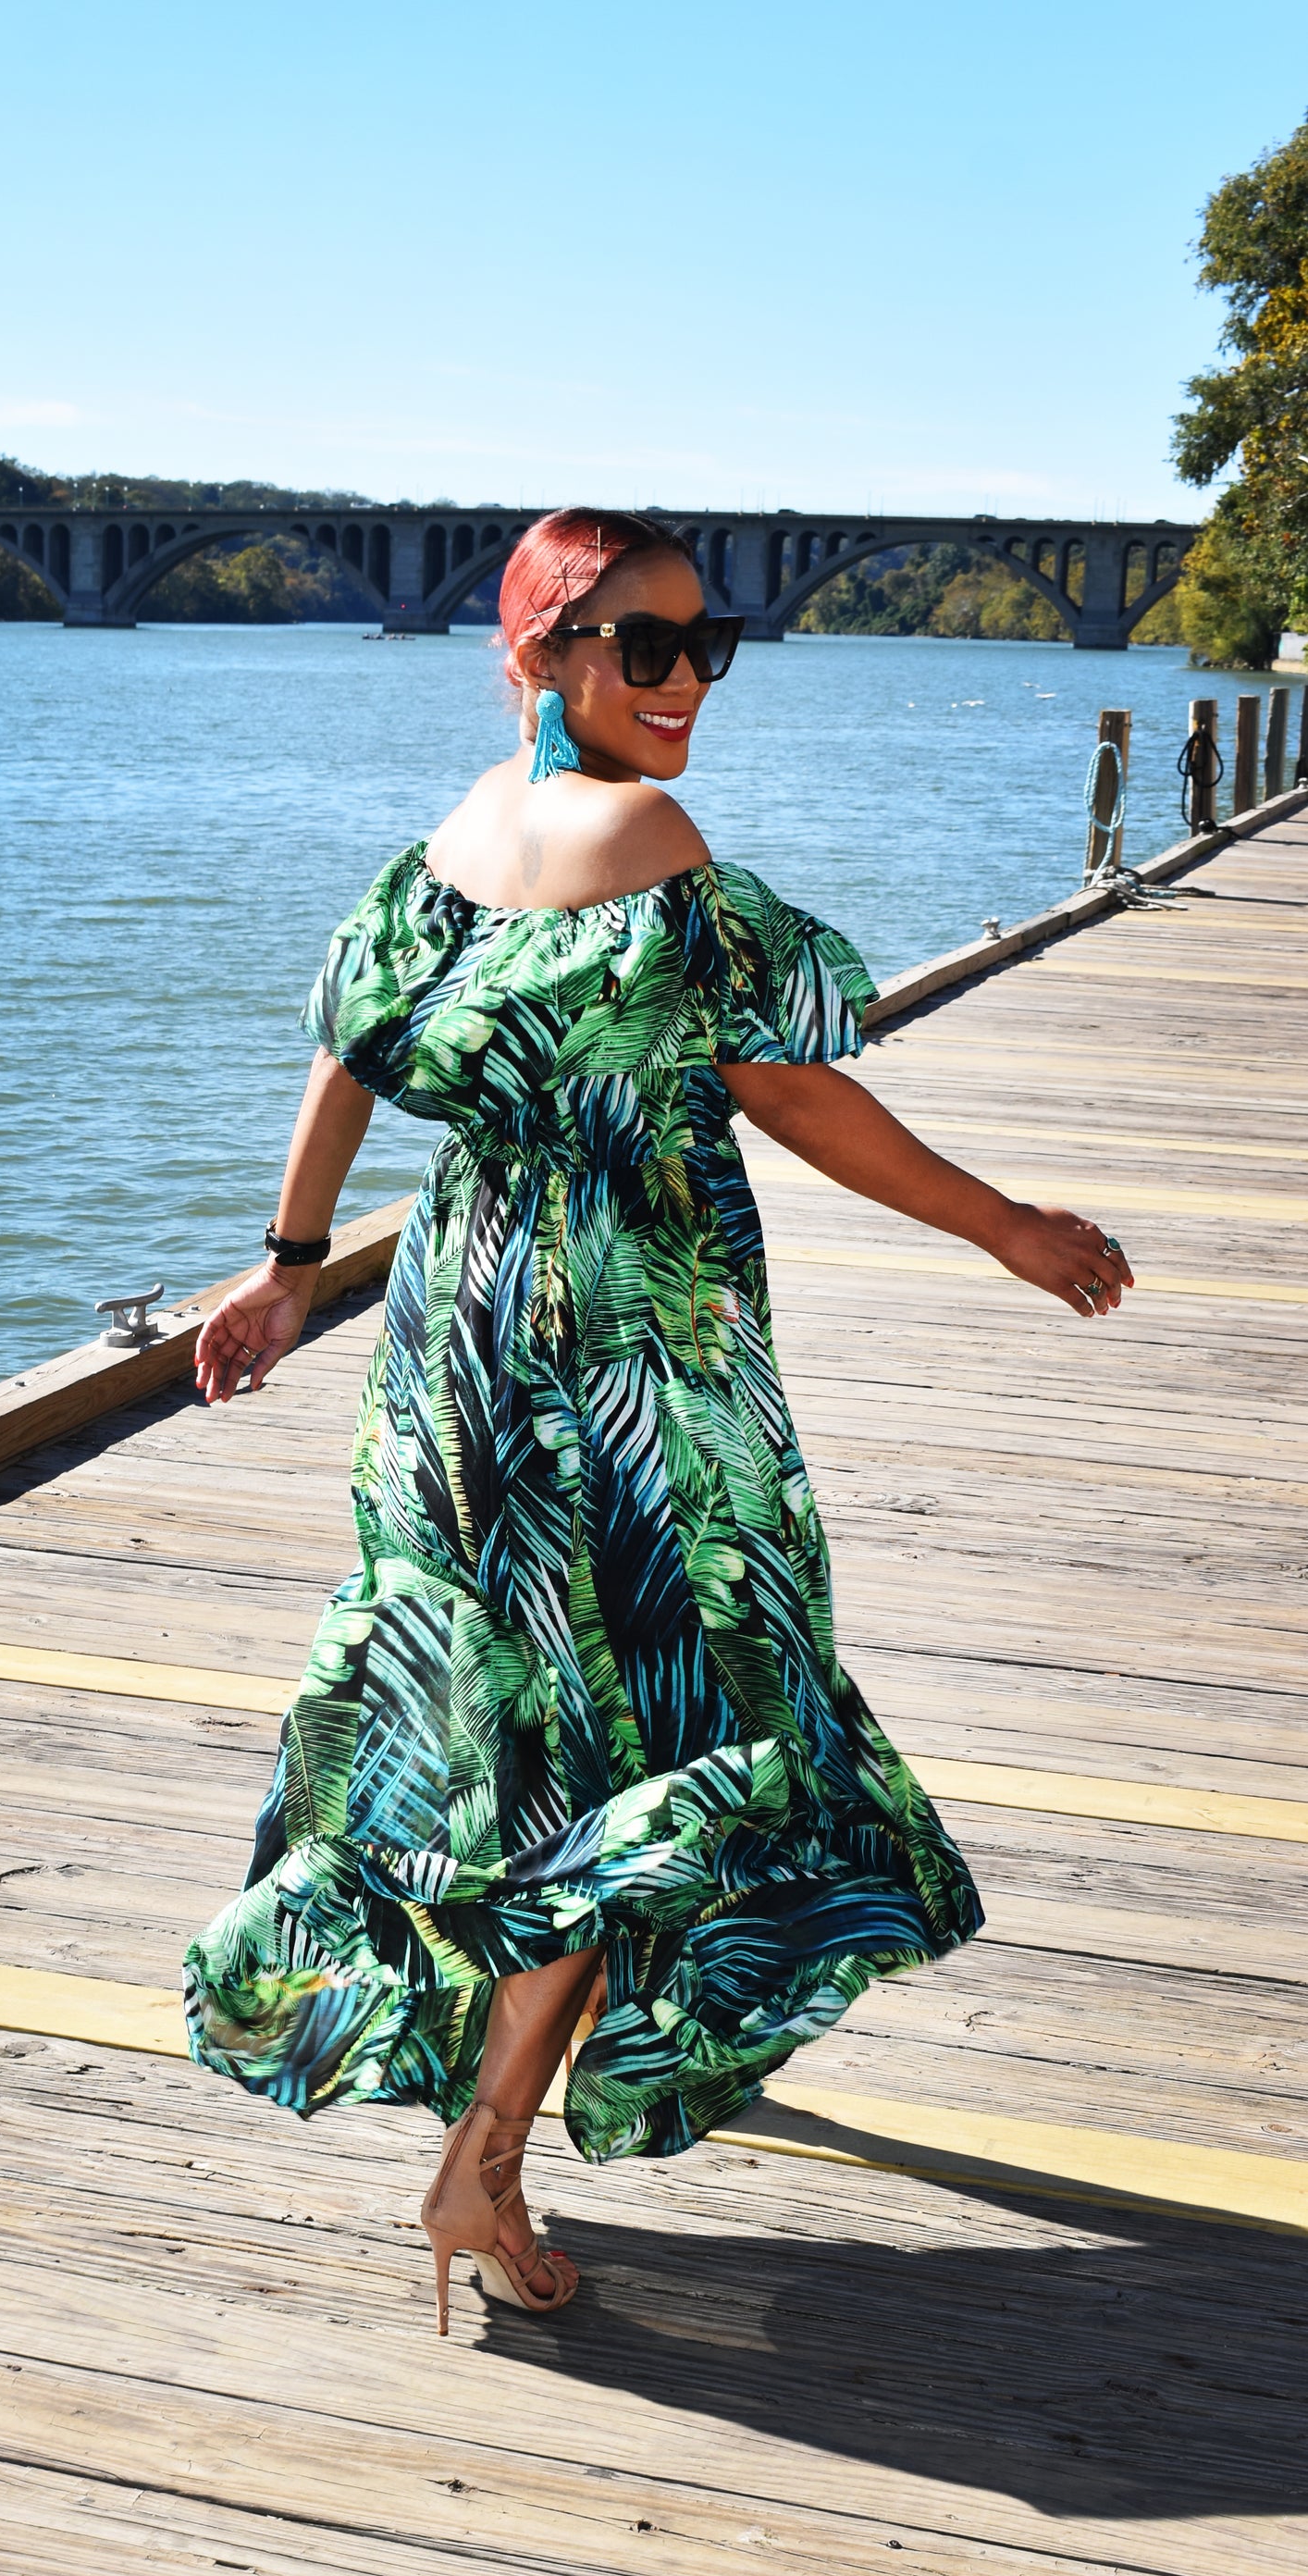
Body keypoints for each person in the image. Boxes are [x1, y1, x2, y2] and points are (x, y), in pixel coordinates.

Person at [183, 506, 1134, 2334]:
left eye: (709, 645)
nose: (686, 680)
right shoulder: (646, 838)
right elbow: (789, 1092)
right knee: (670, 1731)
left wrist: (288, 1268)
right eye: (645, 647)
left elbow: (348, 1045)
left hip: (456, 1331)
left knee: (506, 1725)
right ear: (544, 648)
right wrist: (1004, 1224)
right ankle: (482, 2151)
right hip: (631, 1355)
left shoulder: (460, 828)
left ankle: (504, 2106)